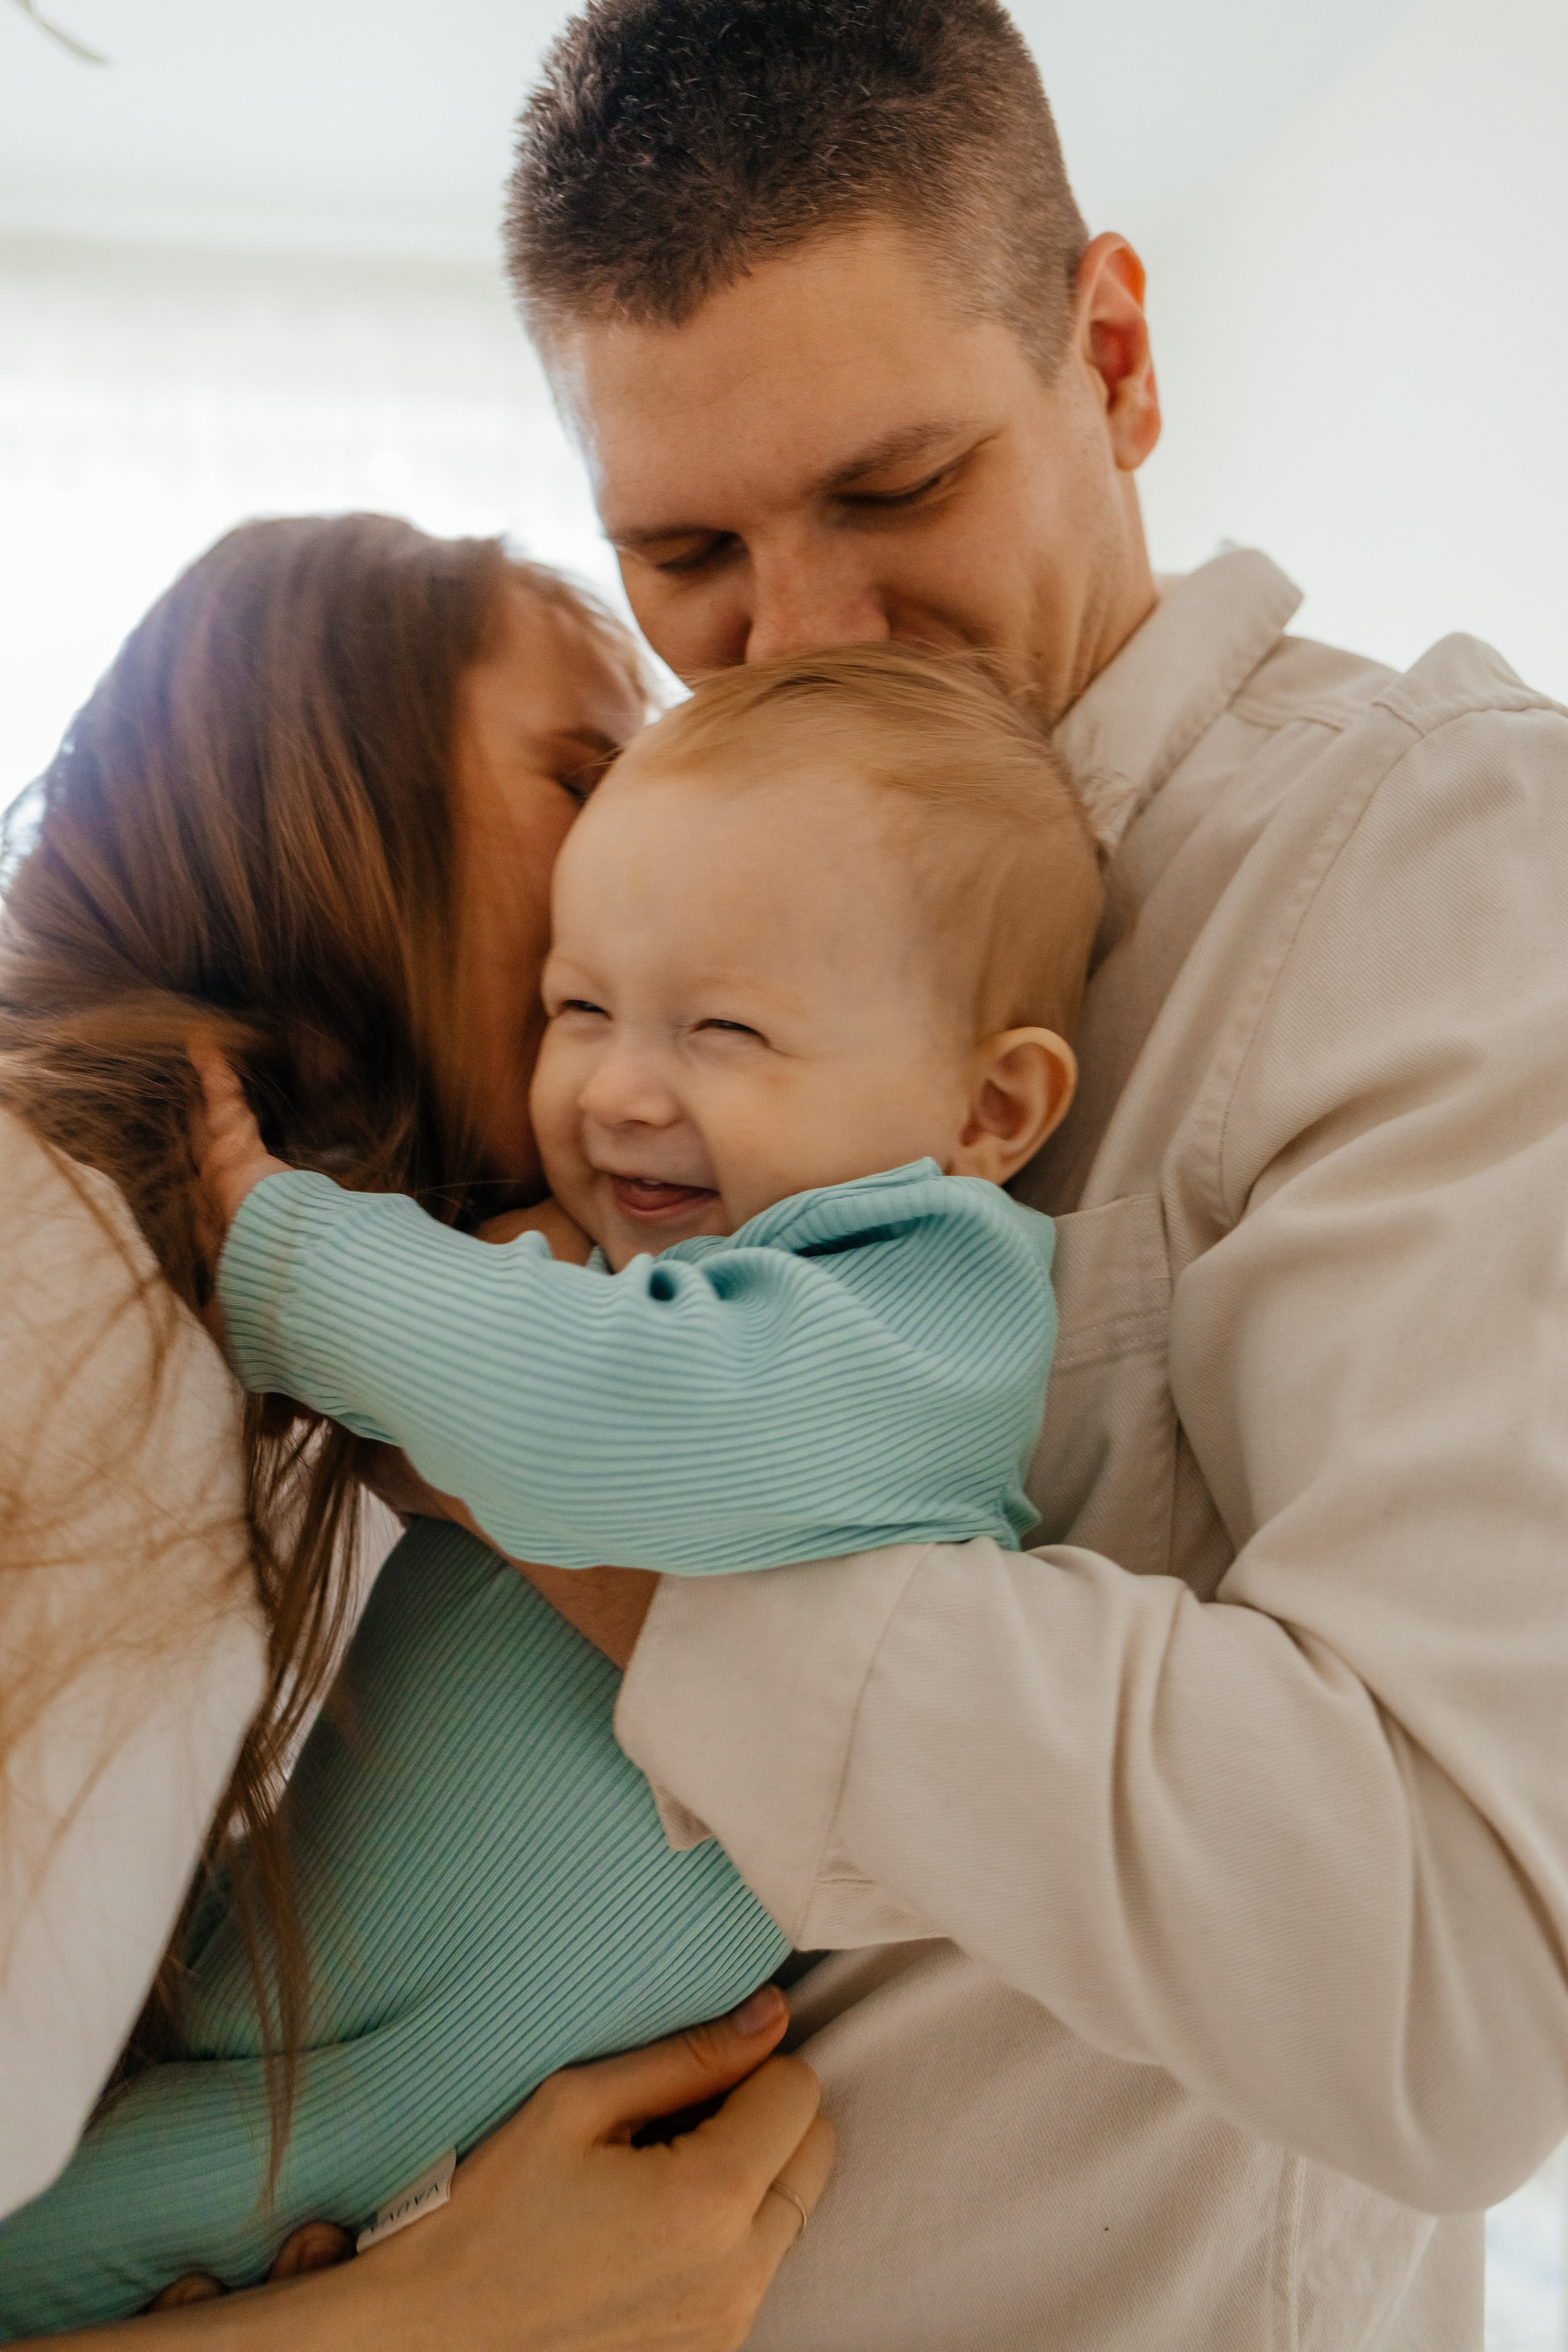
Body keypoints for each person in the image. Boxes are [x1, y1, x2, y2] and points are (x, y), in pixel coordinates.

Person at [486, 2, 1568, 2347]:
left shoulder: (1434, 853)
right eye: (687, 550)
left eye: (898, 493)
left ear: (1115, 355)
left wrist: (572, 1483)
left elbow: (1459, 1978)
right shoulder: (660, 889)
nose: (802, 637)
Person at [0, 644, 1098, 2331]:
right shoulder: (715, 1282)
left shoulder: (925, 1306)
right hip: (313, 2046)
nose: (616, 1088)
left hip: (391, 2108)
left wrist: (278, 1245)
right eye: (579, 1009)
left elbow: (606, 1417)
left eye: (723, 1030)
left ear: (992, 1105)